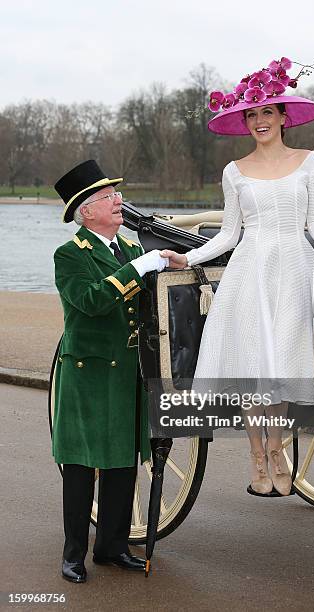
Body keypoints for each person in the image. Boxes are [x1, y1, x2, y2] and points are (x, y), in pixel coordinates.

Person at [160, 57, 314, 497]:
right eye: (252, 114)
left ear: (282, 117)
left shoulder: (309, 161)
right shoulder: (234, 172)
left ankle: (277, 450)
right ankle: (258, 455)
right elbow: (230, 234)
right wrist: (189, 257)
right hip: (249, 272)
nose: (259, 121)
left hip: (293, 270)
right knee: (254, 367)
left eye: (266, 112)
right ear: (246, 121)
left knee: (280, 366)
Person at [52, 160, 168, 583]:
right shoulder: (69, 254)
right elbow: (93, 300)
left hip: (126, 373)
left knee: (122, 462)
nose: (120, 201)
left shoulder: (132, 250)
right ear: (86, 212)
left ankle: (112, 547)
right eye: (108, 197)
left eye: (116, 194)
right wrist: (138, 270)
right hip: (88, 375)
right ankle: (73, 554)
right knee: (81, 466)